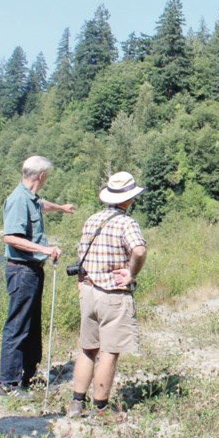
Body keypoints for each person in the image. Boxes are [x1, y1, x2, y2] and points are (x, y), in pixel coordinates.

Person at [69, 171, 147, 418]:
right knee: (110, 351)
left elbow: (82, 255)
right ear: (129, 199)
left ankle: (76, 404)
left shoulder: (92, 219)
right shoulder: (127, 222)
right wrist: (131, 273)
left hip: (89, 290)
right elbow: (139, 251)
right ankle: (101, 408)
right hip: (112, 294)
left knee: (87, 348)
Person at [0, 155, 74, 395]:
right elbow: (10, 237)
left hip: (31, 270)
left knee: (31, 325)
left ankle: (28, 375)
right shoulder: (19, 200)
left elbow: (42, 205)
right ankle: (7, 384)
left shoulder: (30, 198)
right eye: (47, 176)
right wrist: (45, 249)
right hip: (21, 271)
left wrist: (61, 208)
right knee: (17, 326)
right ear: (41, 176)